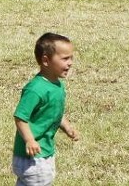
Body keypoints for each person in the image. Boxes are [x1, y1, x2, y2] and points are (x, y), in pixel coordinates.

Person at [12, 32, 79, 186]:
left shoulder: (56, 85)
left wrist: (67, 127)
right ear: (46, 60)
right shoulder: (35, 89)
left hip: (44, 152)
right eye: (65, 58)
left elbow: (54, 112)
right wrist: (29, 140)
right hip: (32, 156)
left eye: (71, 58)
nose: (70, 63)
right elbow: (20, 117)